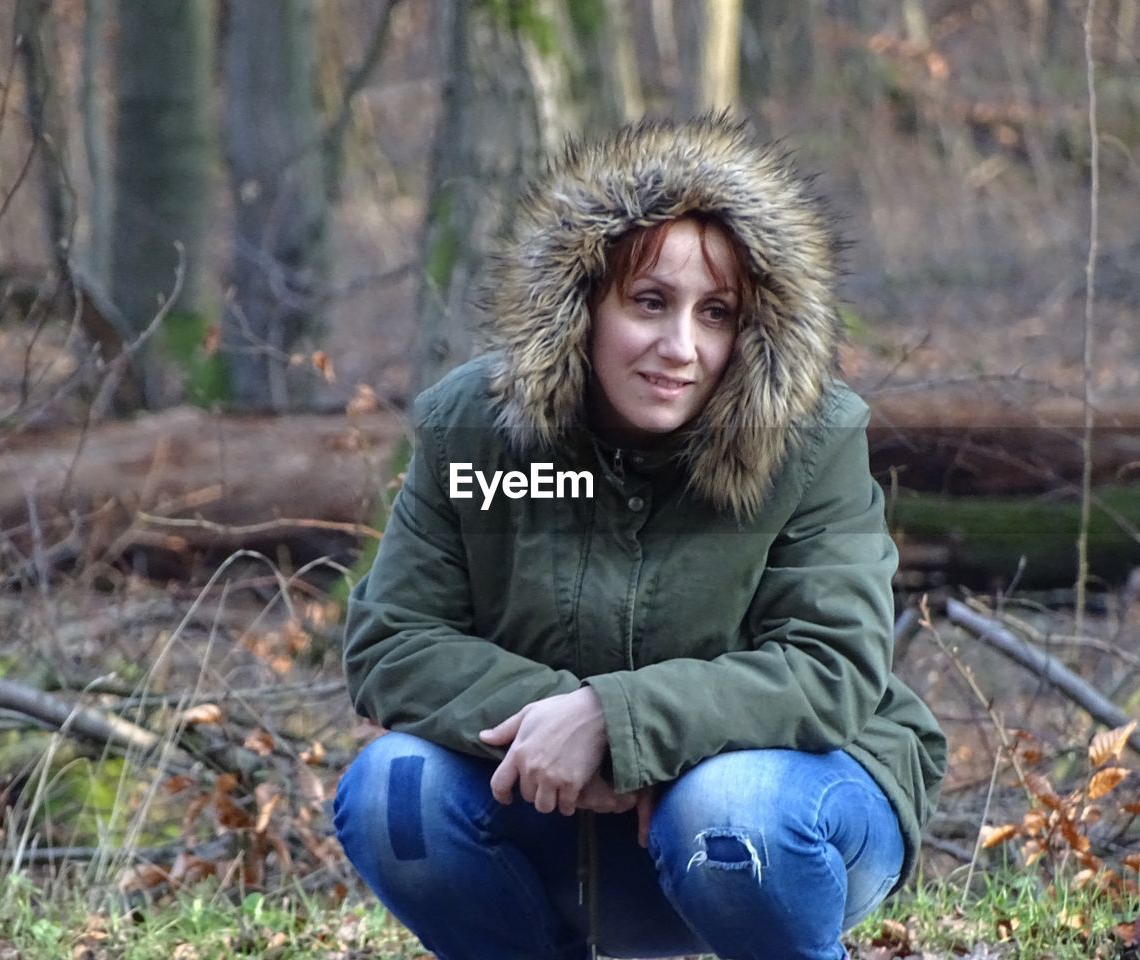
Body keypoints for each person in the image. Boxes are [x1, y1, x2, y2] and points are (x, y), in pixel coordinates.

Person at [333, 115, 947, 960]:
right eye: (649, 302)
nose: (680, 348)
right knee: (390, 791)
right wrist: (568, 734)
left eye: (717, 313)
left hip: (780, 811)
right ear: (583, 303)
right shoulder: (476, 432)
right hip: (557, 826)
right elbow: (393, 639)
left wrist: (616, 723)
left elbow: (830, 665)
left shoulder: (811, 437)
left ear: (754, 327)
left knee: (728, 809)